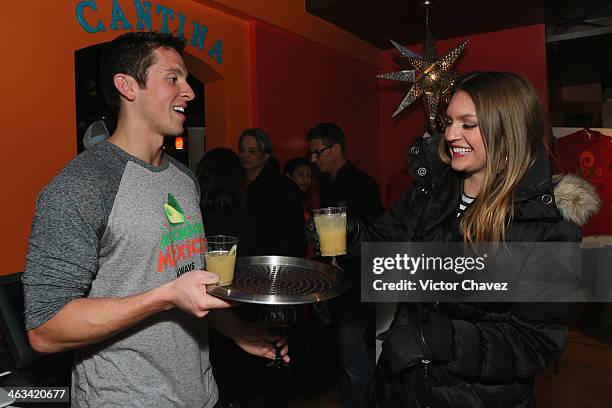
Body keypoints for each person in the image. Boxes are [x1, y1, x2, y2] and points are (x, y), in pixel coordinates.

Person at [22, 32, 287, 408]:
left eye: (187, 80)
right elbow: (44, 329)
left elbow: (184, 283)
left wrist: (237, 329)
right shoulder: (81, 186)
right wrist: (163, 299)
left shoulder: (184, 179)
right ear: (127, 86)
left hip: (200, 395)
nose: (190, 92)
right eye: (173, 78)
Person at [365, 71, 600, 407]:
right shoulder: (430, 192)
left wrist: (440, 339)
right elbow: (382, 256)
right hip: (401, 388)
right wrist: (354, 239)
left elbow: (535, 341)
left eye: (468, 124)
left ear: (508, 131)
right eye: (448, 122)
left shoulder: (545, 223)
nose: (449, 134)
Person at [306, 122, 384, 408]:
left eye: (318, 153)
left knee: (353, 357)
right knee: (343, 354)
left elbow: (376, 235)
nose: (314, 160)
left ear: (335, 148)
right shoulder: (327, 184)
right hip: (335, 285)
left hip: (357, 285)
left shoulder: (363, 185)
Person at [238, 128, 307, 257]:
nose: (245, 155)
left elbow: (294, 235)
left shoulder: (283, 188)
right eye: (242, 150)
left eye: (252, 151)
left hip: (273, 264)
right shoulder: (237, 184)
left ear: (265, 156)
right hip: (245, 262)